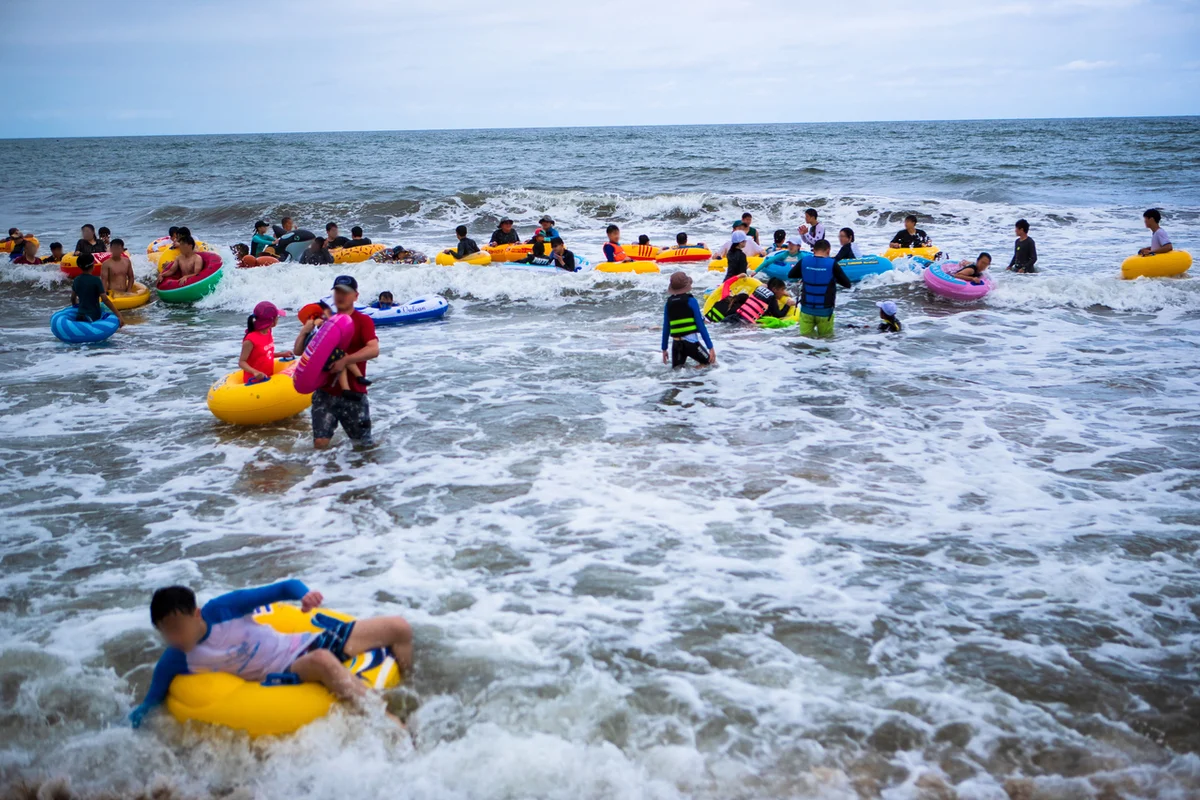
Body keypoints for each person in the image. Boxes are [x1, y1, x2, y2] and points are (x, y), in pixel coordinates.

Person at [126, 580, 413, 729]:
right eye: (165, 632)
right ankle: (388, 720)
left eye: (177, 628)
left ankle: (409, 686)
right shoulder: (175, 660)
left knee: (399, 627)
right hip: (283, 671)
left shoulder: (224, 609)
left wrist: (305, 595)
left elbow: (284, 587)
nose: (173, 638)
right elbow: (151, 701)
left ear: (196, 614)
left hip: (303, 641)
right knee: (323, 662)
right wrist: (131, 722)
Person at [312, 275, 379, 449]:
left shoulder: (363, 321)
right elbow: (303, 351)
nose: (341, 296)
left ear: (355, 296)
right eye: (338, 292)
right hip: (325, 392)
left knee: (363, 447)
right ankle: (322, 467)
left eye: (346, 292)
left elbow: (373, 349)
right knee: (320, 444)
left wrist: (346, 360)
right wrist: (306, 331)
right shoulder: (326, 322)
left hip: (354, 394)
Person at [789, 239, 851, 338]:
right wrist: (833, 278)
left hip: (806, 310)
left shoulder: (804, 261)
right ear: (828, 250)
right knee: (826, 341)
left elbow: (791, 275)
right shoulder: (832, 264)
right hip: (824, 311)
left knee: (805, 340)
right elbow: (847, 284)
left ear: (813, 250)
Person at [661, 271, 715, 368]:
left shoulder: (668, 304)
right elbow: (700, 325)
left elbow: (666, 328)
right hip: (692, 344)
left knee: (678, 372)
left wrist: (664, 349)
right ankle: (696, 373)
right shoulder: (691, 301)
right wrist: (710, 347)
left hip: (676, 345)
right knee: (710, 365)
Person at [240, 301, 291, 383]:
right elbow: (242, 362)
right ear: (272, 321)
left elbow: (264, 354)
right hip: (254, 381)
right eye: (277, 317)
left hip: (268, 378)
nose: (278, 319)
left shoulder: (268, 331)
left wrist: (282, 354)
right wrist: (255, 372)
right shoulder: (250, 339)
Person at [70, 253, 124, 326]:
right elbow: (105, 299)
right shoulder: (96, 280)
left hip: (80, 315)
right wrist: (118, 314)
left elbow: (73, 298)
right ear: (93, 265)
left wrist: (76, 308)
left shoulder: (76, 280)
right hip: (93, 316)